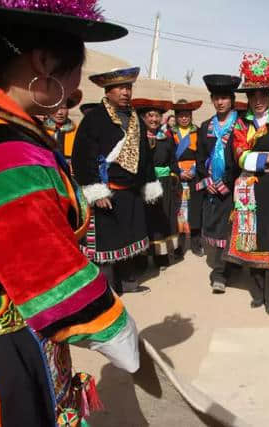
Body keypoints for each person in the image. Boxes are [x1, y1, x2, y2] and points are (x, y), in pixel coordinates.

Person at [0, 3, 139, 426]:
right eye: (78, 68)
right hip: (8, 345)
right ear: (43, 62)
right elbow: (41, 264)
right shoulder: (7, 150)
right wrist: (112, 325)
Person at [73, 66, 163, 294]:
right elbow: (84, 157)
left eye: (128, 88)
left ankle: (129, 282)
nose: (126, 92)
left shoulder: (135, 118)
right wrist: (96, 190)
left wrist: (148, 183)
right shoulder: (94, 119)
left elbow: (145, 155)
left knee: (129, 237)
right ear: (108, 91)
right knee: (106, 243)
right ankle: (107, 289)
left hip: (130, 191)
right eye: (120, 88)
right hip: (107, 192)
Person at [223, 53, 269, 315]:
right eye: (252, 96)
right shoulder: (242, 124)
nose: (257, 101)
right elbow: (240, 155)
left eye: (262, 96)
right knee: (252, 237)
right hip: (251, 187)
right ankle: (256, 292)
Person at [197, 74, 243, 293]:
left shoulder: (241, 125)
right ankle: (219, 272)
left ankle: (227, 269)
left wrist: (226, 182)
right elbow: (200, 158)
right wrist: (208, 182)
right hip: (212, 189)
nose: (220, 102)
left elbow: (241, 159)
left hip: (235, 187)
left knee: (233, 228)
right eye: (216, 98)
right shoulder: (206, 126)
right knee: (216, 231)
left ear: (232, 99)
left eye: (225, 97)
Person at [132, 98, 181, 269]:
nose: (154, 119)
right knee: (144, 220)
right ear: (143, 118)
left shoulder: (167, 139)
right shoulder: (136, 138)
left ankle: (161, 257)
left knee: (162, 219)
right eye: (149, 116)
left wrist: (173, 177)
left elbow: (174, 161)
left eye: (157, 116)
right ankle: (143, 258)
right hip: (144, 183)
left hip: (164, 184)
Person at [171, 99, 205, 257]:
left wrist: (193, 170)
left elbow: (202, 154)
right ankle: (179, 246)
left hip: (194, 174)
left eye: (187, 115)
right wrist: (178, 171)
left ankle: (196, 244)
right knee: (179, 211)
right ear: (176, 117)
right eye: (181, 116)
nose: (184, 118)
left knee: (195, 210)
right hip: (177, 176)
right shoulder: (170, 133)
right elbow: (168, 156)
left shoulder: (197, 132)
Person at [44, 89, 82, 166]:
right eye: (55, 108)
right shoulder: (40, 130)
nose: (60, 113)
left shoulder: (78, 132)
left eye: (63, 108)